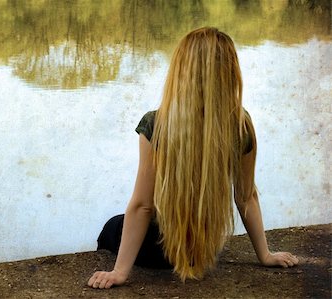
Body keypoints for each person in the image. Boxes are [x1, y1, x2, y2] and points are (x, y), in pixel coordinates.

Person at [87, 27, 299, 289]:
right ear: (230, 72)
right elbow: (246, 196)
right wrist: (265, 255)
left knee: (112, 226)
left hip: (154, 249)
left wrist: (119, 272)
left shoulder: (156, 123)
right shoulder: (240, 124)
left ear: (180, 70)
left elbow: (143, 205)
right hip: (205, 251)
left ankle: (111, 261)